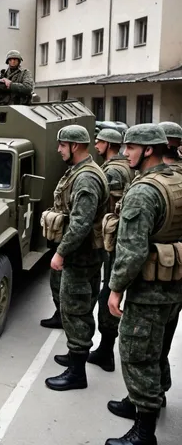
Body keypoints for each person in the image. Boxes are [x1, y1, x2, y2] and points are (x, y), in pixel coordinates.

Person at [105, 124, 182, 445]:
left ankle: (144, 431)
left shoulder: (144, 190)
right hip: (174, 284)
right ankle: (149, 398)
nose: (125, 153)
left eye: (130, 148)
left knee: (137, 353)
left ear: (148, 150)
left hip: (149, 289)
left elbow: (132, 249)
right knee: (158, 346)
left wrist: (116, 288)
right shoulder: (177, 178)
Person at [42, 125, 108, 391]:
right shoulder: (81, 172)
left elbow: (80, 223)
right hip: (85, 253)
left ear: (76, 146)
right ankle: (75, 356)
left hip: (81, 256)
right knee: (79, 305)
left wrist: (60, 252)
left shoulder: (86, 178)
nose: (58, 149)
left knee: (75, 308)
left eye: (62, 144)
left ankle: (77, 373)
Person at [90, 128, 135, 372]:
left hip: (114, 239)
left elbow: (106, 205)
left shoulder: (113, 170)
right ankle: (104, 349)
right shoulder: (124, 166)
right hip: (117, 238)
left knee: (108, 293)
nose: (96, 145)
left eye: (99, 142)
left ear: (109, 145)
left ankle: (106, 351)